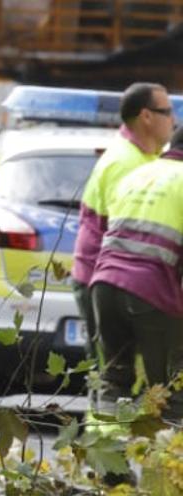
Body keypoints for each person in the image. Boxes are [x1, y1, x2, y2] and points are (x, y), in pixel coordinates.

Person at [72, 83, 172, 367]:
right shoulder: (127, 163)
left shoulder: (145, 157)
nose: (174, 120)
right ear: (147, 116)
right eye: (167, 111)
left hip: (117, 283)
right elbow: (132, 236)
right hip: (110, 285)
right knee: (113, 374)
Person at [90, 125, 183, 419]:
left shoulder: (137, 175)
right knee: (169, 390)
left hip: (104, 286)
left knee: (114, 380)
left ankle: (107, 460)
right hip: (151, 294)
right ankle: (167, 463)